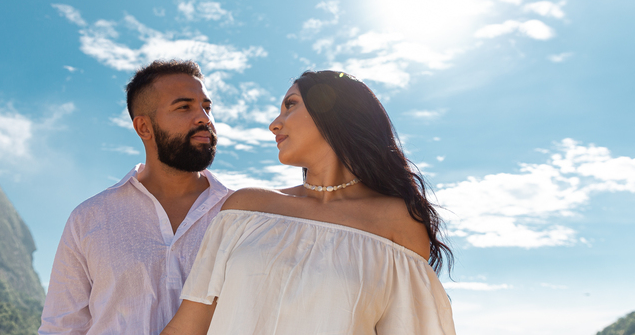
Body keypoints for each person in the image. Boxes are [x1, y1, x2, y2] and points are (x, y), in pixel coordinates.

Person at [162, 70, 455, 335]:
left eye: (290, 105)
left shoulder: (397, 221)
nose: (274, 124)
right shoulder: (245, 207)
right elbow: (189, 325)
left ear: (333, 109)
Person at [39, 60, 233, 334]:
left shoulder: (242, 215)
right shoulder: (88, 218)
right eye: (184, 107)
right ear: (144, 127)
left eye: (207, 107)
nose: (204, 118)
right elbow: (61, 327)